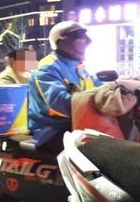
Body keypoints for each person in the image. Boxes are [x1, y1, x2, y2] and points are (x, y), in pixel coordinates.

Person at [28, 21, 101, 152]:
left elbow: (99, 87)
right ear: (62, 42)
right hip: (51, 131)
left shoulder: (79, 67)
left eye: (86, 39)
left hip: (78, 125)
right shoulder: (47, 68)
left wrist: (121, 87)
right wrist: (99, 100)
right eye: (80, 38)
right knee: (98, 153)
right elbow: (60, 103)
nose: (86, 42)